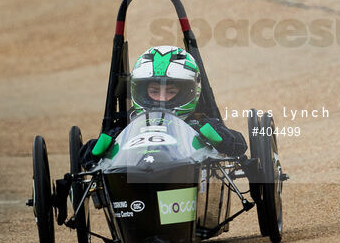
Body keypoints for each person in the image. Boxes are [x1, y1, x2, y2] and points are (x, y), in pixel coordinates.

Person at [81, 45, 247, 168]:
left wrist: (219, 138)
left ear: (188, 91)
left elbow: (240, 145)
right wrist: (98, 149)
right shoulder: (124, 128)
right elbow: (85, 157)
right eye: (154, 91)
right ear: (140, 91)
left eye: (171, 91)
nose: (161, 99)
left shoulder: (199, 124)